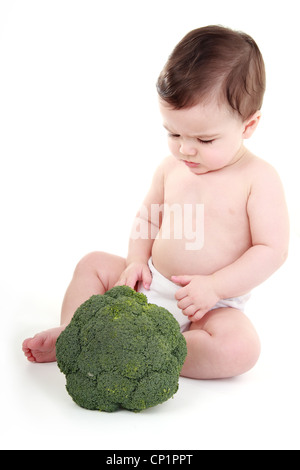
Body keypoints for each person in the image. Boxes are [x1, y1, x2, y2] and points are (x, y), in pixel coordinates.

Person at [22, 25, 289, 379]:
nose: (186, 148)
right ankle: (75, 334)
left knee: (240, 348)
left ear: (249, 125)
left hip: (208, 308)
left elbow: (272, 249)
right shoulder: (171, 168)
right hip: (150, 285)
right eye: (174, 133)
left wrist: (215, 287)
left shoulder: (258, 178)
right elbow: (147, 219)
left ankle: (154, 354)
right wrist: (135, 261)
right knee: (94, 264)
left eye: (205, 139)